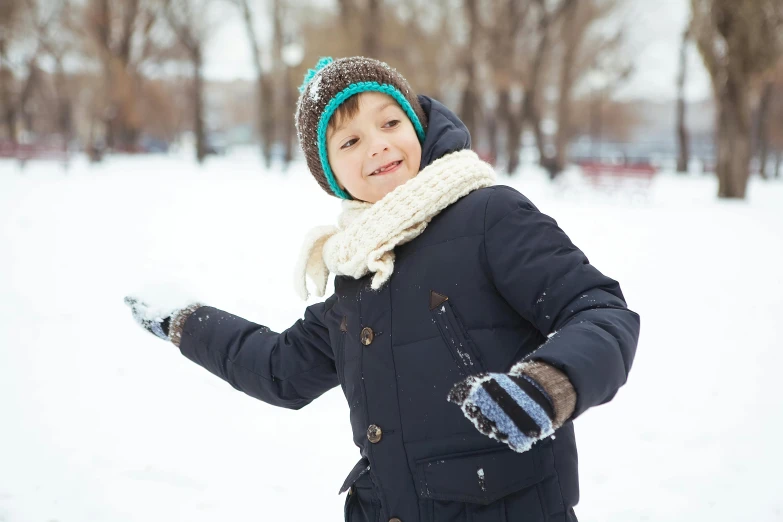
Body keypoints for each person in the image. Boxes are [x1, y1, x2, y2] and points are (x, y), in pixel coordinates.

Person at [125, 56, 640, 522]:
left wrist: (547, 386)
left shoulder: (490, 215)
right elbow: (280, 370)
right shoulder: (356, 272)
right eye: (349, 141)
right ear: (333, 176)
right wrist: (185, 322)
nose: (378, 144)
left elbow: (599, 313)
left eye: (390, 121)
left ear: (416, 126)